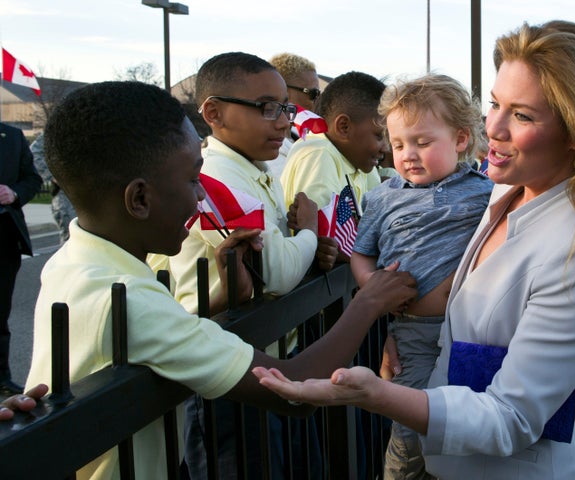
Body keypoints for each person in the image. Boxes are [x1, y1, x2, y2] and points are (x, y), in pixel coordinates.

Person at [253, 19, 575, 479]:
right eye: (495, 104)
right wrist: (412, 331)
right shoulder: (502, 192)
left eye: (522, 115)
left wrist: (374, 394)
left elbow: (511, 417)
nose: (491, 127)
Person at [24, 80, 417, 480]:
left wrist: (217, 301)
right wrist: (369, 302)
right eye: (193, 179)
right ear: (139, 199)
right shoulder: (126, 298)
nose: (200, 197)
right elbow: (291, 389)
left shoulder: (72, 264)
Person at [168, 51, 336, 480]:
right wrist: (310, 234)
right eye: (267, 108)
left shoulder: (254, 170)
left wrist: (308, 247)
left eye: (286, 108)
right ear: (214, 112)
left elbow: (283, 259)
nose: (283, 122)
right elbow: (277, 271)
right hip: (227, 376)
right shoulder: (216, 178)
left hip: (270, 356)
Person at [350, 73, 493, 478]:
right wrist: (372, 289)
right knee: (411, 425)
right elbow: (361, 255)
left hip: (473, 329)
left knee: (464, 425)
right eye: (397, 144)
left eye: (422, 142)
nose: (408, 153)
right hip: (415, 331)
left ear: (461, 139)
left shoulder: (486, 192)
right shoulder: (382, 197)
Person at [280, 70, 387, 242]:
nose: (386, 148)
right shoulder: (318, 154)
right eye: (380, 136)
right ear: (344, 127)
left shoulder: (360, 163)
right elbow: (323, 240)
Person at [0, 122, 42, 396]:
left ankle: (2, 377)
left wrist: (14, 193)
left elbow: (33, 180)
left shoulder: (13, 137)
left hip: (4, 239)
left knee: (0, 313)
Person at [263, 52, 322, 179]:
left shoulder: (298, 137)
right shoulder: (269, 148)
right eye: (313, 93)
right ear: (284, 91)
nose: (318, 100)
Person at [30, 131, 77, 245]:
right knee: (71, 242)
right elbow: (34, 152)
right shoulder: (61, 127)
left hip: (94, 195)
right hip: (67, 196)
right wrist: (54, 176)